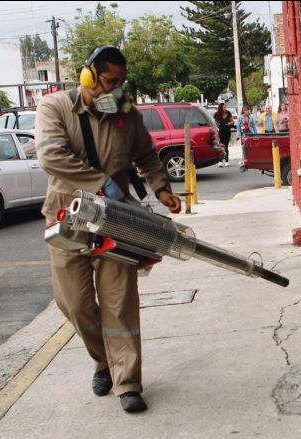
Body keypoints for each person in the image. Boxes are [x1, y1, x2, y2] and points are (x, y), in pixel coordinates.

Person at [35, 45, 182, 414]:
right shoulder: (54, 108)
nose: (113, 89)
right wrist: (101, 182)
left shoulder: (125, 111)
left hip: (116, 218)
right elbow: (51, 156)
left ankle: (127, 381)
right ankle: (103, 361)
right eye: (108, 80)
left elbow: (145, 152)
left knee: (120, 303)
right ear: (88, 75)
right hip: (67, 218)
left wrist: (161, 186)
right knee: (75, 304)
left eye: (120, 82)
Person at [213, 103, 234, 168]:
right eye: (224, 107)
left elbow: (232, 121)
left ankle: (227, 161)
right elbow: (214, 122)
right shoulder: (217, 114)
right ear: (221, 108)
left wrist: (229, 123)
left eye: (226, 107)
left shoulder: (228, 113)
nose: (225, 108)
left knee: (226, 146)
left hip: (227, 131)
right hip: (220, 131)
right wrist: (217, 127)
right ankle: (220, 161)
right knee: (221, 146)